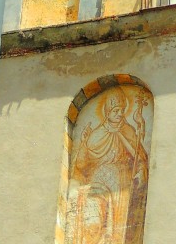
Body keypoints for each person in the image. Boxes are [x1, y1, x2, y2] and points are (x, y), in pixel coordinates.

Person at [66, 87, 149, 244]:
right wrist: (83, 142)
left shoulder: (128, 130)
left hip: (121, 186)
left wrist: (140, 170)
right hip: (99, 185)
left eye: (121, 110)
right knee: (95, 220)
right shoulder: (97, 133)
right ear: (107, 112)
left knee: (119, 226)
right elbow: (82, 164)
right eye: (115, 110)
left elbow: (139, 157)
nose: (119, 114)